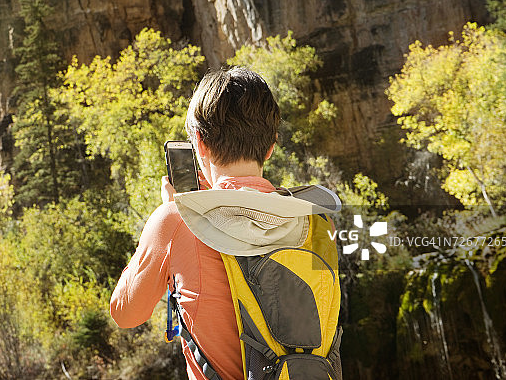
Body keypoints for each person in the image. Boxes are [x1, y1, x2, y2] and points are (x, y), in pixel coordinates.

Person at [109, 66, 337, 380]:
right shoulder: (317, 220)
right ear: (271, 146)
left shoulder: (176, 222)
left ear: (199, 143)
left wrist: (171, 217)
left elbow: (126, 313)